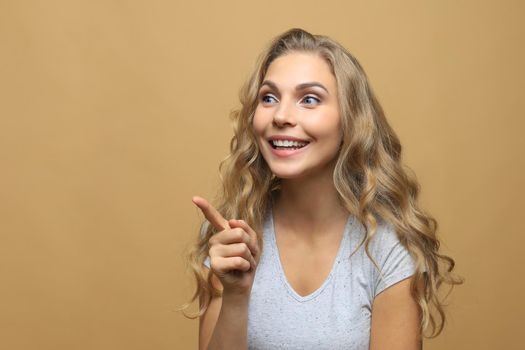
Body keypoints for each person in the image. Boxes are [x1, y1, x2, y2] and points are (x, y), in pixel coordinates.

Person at [180, 28, 463, 350]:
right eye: (269, 98)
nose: (281, 116)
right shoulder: (231, 236)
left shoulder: (386, 247)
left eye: (309, 99)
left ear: (350, 121)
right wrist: (235, 295)